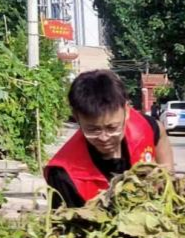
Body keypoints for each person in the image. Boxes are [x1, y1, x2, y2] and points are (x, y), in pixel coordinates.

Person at [45, 70, 175, 208]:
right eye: (93, 130)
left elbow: (159, 131)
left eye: (112, 128)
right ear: (76, 117)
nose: (104, 138)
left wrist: (167, 179)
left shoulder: (143, 127)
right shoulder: (62, 174)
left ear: (126, 111)